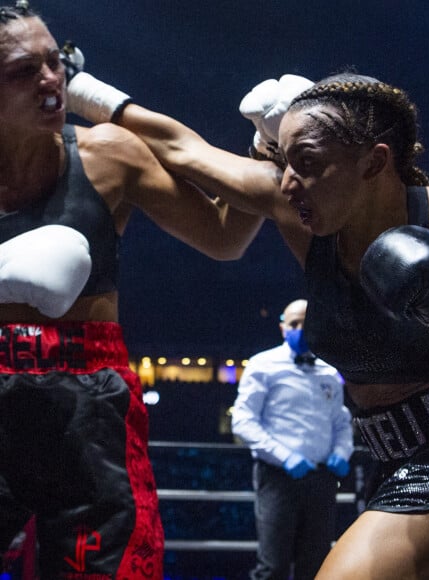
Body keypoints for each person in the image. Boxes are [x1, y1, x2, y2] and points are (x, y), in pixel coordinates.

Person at [65, 57, 429, 578]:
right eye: (283, 161)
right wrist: (77, 87)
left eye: (306, 162)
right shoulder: (303, 215)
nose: (287, 183)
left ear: (375, 162)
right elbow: (183, 148)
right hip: (389, 461)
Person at [0, 3, 264, 578]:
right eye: (24, 71)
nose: (51, 80)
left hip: (86, 398)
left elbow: (223, 237)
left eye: (56, 61)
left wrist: (264, 154)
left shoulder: (106, 155)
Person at [231, 298, 354, 580]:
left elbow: (341, 422)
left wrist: (342, 452)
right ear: (282, 327)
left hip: (322, 477)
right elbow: (243, 420)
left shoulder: (329, 371)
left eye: (306, 322)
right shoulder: (263, 364)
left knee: (316, 566)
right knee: (273, 566)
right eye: (294, 323)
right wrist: (284, 456)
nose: (300, 328)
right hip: (277, 477)